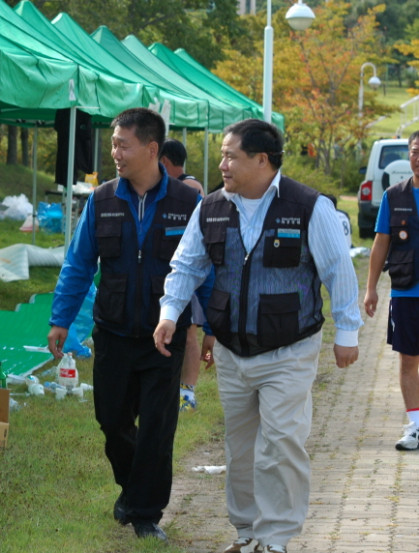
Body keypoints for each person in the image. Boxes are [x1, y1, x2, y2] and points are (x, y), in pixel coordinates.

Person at [153, 119, 361, 553]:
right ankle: (247, 531)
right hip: (232, 351)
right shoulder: (210, 207)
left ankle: (275, 537)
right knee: (241, 447)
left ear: (262, 160)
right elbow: (187, 264)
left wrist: (348, 331)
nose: (222, 164)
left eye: (231, 156)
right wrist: (170, 312)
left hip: (290, 349)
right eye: (222, 155)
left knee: (281, 442)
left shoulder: (308, 207)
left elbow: (338, 269)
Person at [46, 108, 202, 542]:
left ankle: (146, 514)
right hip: (113, 333)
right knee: (111, 421)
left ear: (151, 149)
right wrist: (61, 319)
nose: (114, 153)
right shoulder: (102, 200)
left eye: (122, 145)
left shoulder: (187, 203)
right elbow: (78, 264)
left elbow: (204, 270)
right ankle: (133, 489)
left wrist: (208, 327)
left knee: (156, 429)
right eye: (113, 144)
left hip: (164, 339)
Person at [364, 130, 419, 451]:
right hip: (406, 291)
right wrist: (370, 288)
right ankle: (415, 425)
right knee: (408, 359)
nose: (418, 158)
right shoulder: (393, 197)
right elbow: (380, 243)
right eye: (415, 151)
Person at [160, 138, 214, 412]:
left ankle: (188, 392)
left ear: (163, 161)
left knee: (190, 332)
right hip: (175, 273)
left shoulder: (189, 188)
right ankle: (176, 389)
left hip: (189, 274)